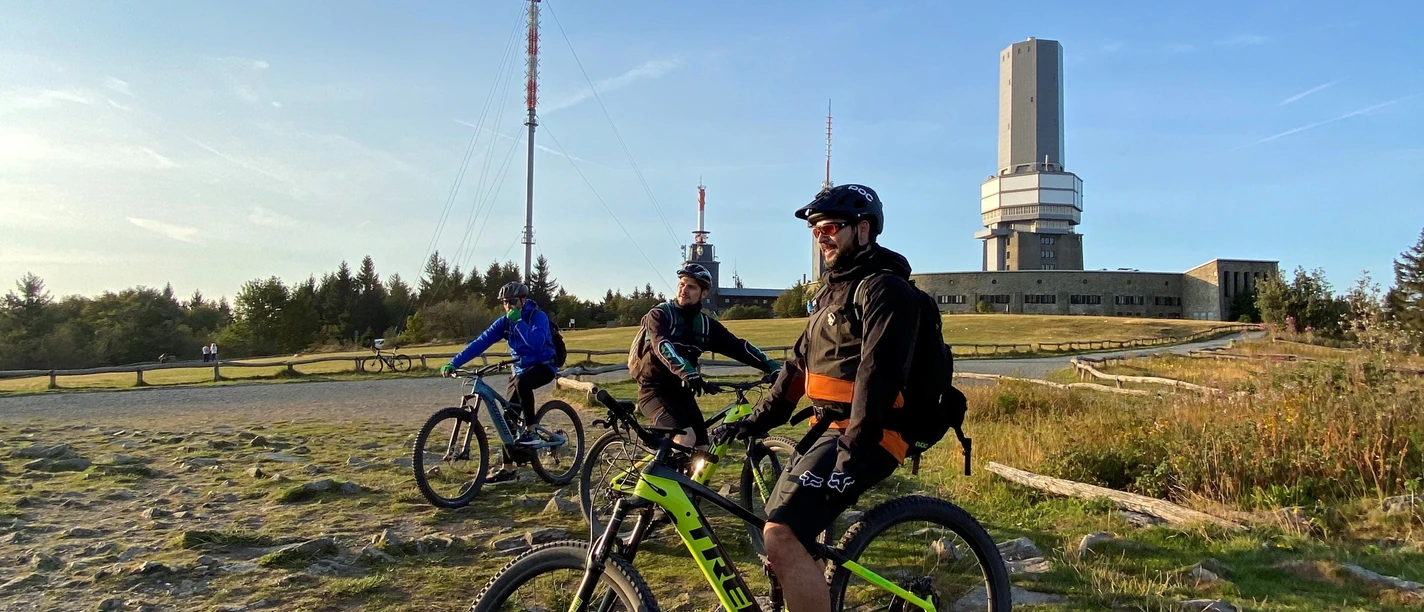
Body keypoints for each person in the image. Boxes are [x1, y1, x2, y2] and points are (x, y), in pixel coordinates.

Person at [712, 184, 918, 612]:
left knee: (781, 536)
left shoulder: (884, 290)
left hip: (872, 435)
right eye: (815, 230)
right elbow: (795, 370)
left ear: (863, 230)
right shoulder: (828, 295)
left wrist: (852, 451)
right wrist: (754, 422)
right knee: (778, 526)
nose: (820, 236)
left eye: (830, 228)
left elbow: (877, 373)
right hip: (828, 431)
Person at [627, 263, 781, 453]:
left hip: (682, 391)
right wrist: (688, 372)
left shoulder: (705, 325)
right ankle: (660, 482)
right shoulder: (660, 314)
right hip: (653, 390)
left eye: (691, 287)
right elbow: (662, 346)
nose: (684, 290)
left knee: (702, 449)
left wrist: (773, 367)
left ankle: (684, 480)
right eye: (682, 284)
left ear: (704, 293)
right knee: (685, 438)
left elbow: (739, 347)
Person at [440, 281, 558, 484]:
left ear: (523, 300)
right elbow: (480, 343)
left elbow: (536, 342)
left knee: (522, 383)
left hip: (544, 366)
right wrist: (453, 363)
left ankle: (530, 431)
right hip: (520, 369)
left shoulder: (537, 316)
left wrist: (519, 322)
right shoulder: (504, 323)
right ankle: (509, 470)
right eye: (504, 303)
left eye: (512, 302)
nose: (508, 306)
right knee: (507, 418)